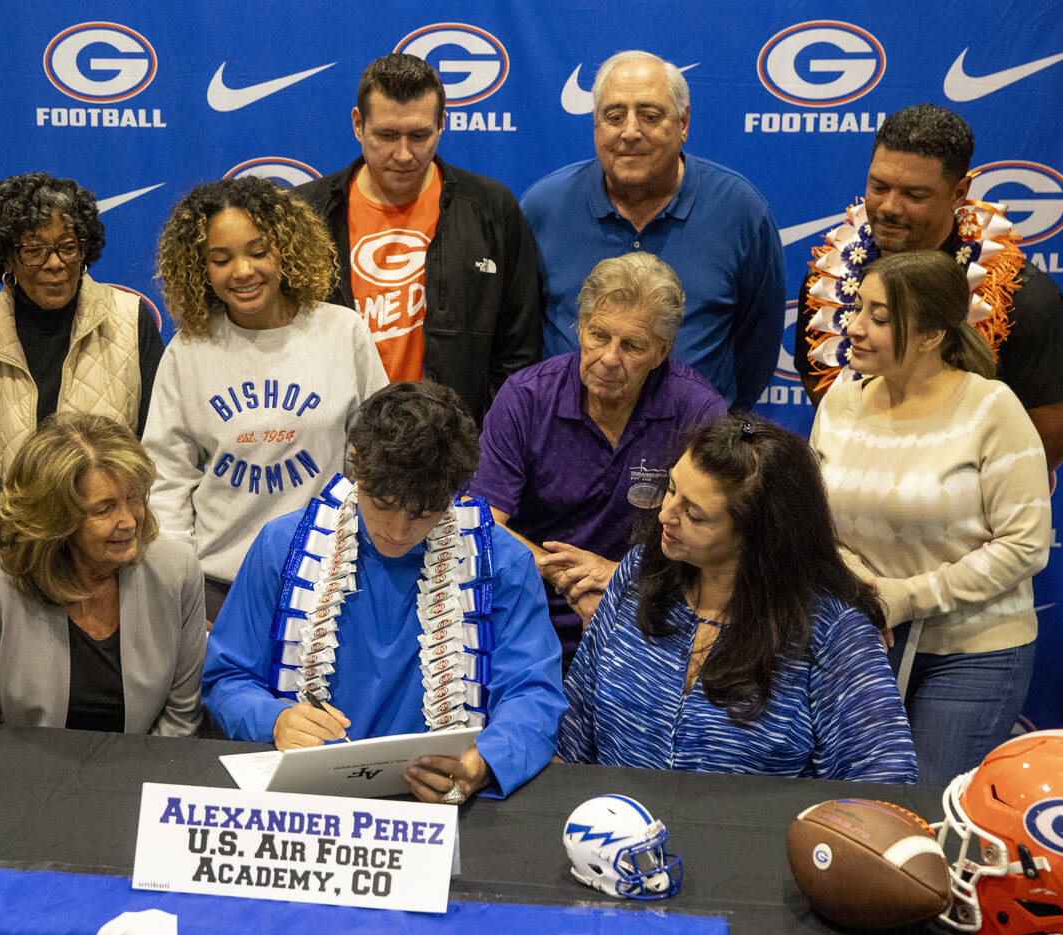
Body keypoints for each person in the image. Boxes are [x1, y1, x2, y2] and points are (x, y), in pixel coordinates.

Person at [203, 382, 566, 803]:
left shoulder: (501, 562)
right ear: (356, 467)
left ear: (456, 495)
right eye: (381, 503)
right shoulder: (281, 545)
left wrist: (482, 764)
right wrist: (275, 719)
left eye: (423, 514)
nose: (397, 531)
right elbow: (227, 676)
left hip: (441, 799)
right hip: (304, 799)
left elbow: (532, 694)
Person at [558, 415, 917, 782]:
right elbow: (570, 732)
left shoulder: (832, 625)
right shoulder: (639, 574)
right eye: (670, 489)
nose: (666, 515)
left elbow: (886, 775)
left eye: (694, 515)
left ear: (760, 537)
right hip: (615, 826)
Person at [810, 250, 1051, 786]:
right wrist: (865, 590)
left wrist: (907, 598)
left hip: (973, 654)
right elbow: (815, 525)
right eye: (857, 308)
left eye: (880, 317)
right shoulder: (839, 404)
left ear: (932, 335)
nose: (855, 326)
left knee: (923, 813)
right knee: (853, 806)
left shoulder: (992, 409)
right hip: (861, 639)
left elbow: (1025, 545)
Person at [0, 172, 164, 654]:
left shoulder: (131, 321)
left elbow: (154, 446)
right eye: (34, 250)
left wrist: (88, 525)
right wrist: (41, 524)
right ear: (7, 258)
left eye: (67, 246)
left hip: (106, 566)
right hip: (2, 558)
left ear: (86, 249)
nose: (55, 264)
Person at [145, 176, 387, 621]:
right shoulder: (189, 348)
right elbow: (166, 479)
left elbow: (376, 458)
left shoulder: (341, 331)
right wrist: (180, 587)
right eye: (221, 259)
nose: (242, 271)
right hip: (220, 590)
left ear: (287, 250)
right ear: (200, 267)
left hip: (330, 584)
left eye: (258, 252)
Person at [795, 103, 1063, 468]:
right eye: (878, 186)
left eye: (914, 195)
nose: (889, 207)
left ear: (958, 192)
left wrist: (970, 489)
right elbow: (819, 383)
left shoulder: (1020, 297)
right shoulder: (829, 281)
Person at [471, 252, 724, 667]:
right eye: (599, 336)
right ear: (580, 328)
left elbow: (718, 542)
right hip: (528, 612)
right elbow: (481, 522)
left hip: (652, 616)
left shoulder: (696, 411)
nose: (609, 358)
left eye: (632, 346)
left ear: (662, 351)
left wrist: (621, 578)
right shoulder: (526, 397)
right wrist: (564, 574)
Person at [521, 50, 783, 410]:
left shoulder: (741, 211)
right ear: (595, 126)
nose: (630, 132)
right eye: (614, 116)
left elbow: (758, 347)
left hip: (694, 448)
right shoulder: (542, 207)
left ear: (684, 122)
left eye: (650, 115)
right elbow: (519, 336)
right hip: (564, 444)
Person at [291, 53, 541, 424]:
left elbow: (518, 350)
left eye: (419, 135)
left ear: (442, 124)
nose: (404, 154)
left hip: (452, 453)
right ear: (359, 125)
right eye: (387, 135)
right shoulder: (305, 214)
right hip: (330, 447)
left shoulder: (491, 208)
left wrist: (477, 441)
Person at [0, 413, 203, 735]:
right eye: (104, 508)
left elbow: (182, 715)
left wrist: (142, 779)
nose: (130, 521)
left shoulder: (177, 570)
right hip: (27, 773)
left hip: (142, 770)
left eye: (134, 498)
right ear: (55, 517)